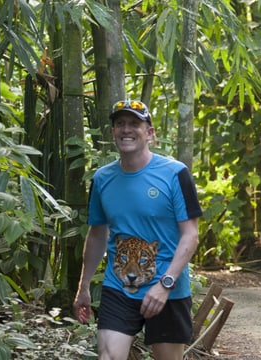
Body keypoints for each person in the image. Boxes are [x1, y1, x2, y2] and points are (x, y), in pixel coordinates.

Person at [74, 99, 202, 360]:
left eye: (134, 124)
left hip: (168, 288)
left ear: (150, 133)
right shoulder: (102, 178)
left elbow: (191, 235)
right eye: (120, 124)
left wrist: (165, 285)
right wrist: (83, 286)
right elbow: (98, 234)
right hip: (117, 287)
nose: (126, 129)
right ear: (113, 132)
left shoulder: (175, 173)